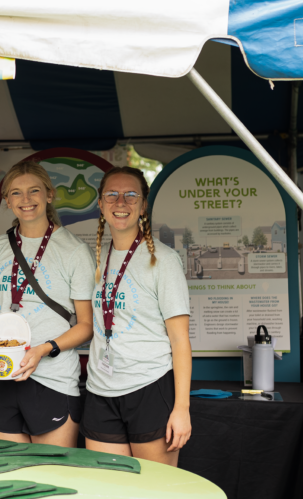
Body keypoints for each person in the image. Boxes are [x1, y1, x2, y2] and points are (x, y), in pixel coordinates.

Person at [0, 161, 95, 446]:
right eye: (16, 193)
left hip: (53, 378)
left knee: (52, 477)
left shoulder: (74, 251)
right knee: (10, 475)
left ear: (49, 195)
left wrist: (42, 350)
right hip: (0, 374)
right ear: (7, 201)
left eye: (34, 191)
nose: (25, 200)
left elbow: (86, 326)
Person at [80, 166, 192, 466]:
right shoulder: (97, 259)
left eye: (131, 195)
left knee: (155, 491)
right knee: (109, 490)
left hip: (149, 387)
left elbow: (180, 340)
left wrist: (182, 409)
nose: (121, 202)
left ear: (144, 206)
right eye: (112, 195)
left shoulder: (163, 261)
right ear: (101, 206)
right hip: (100, 390)